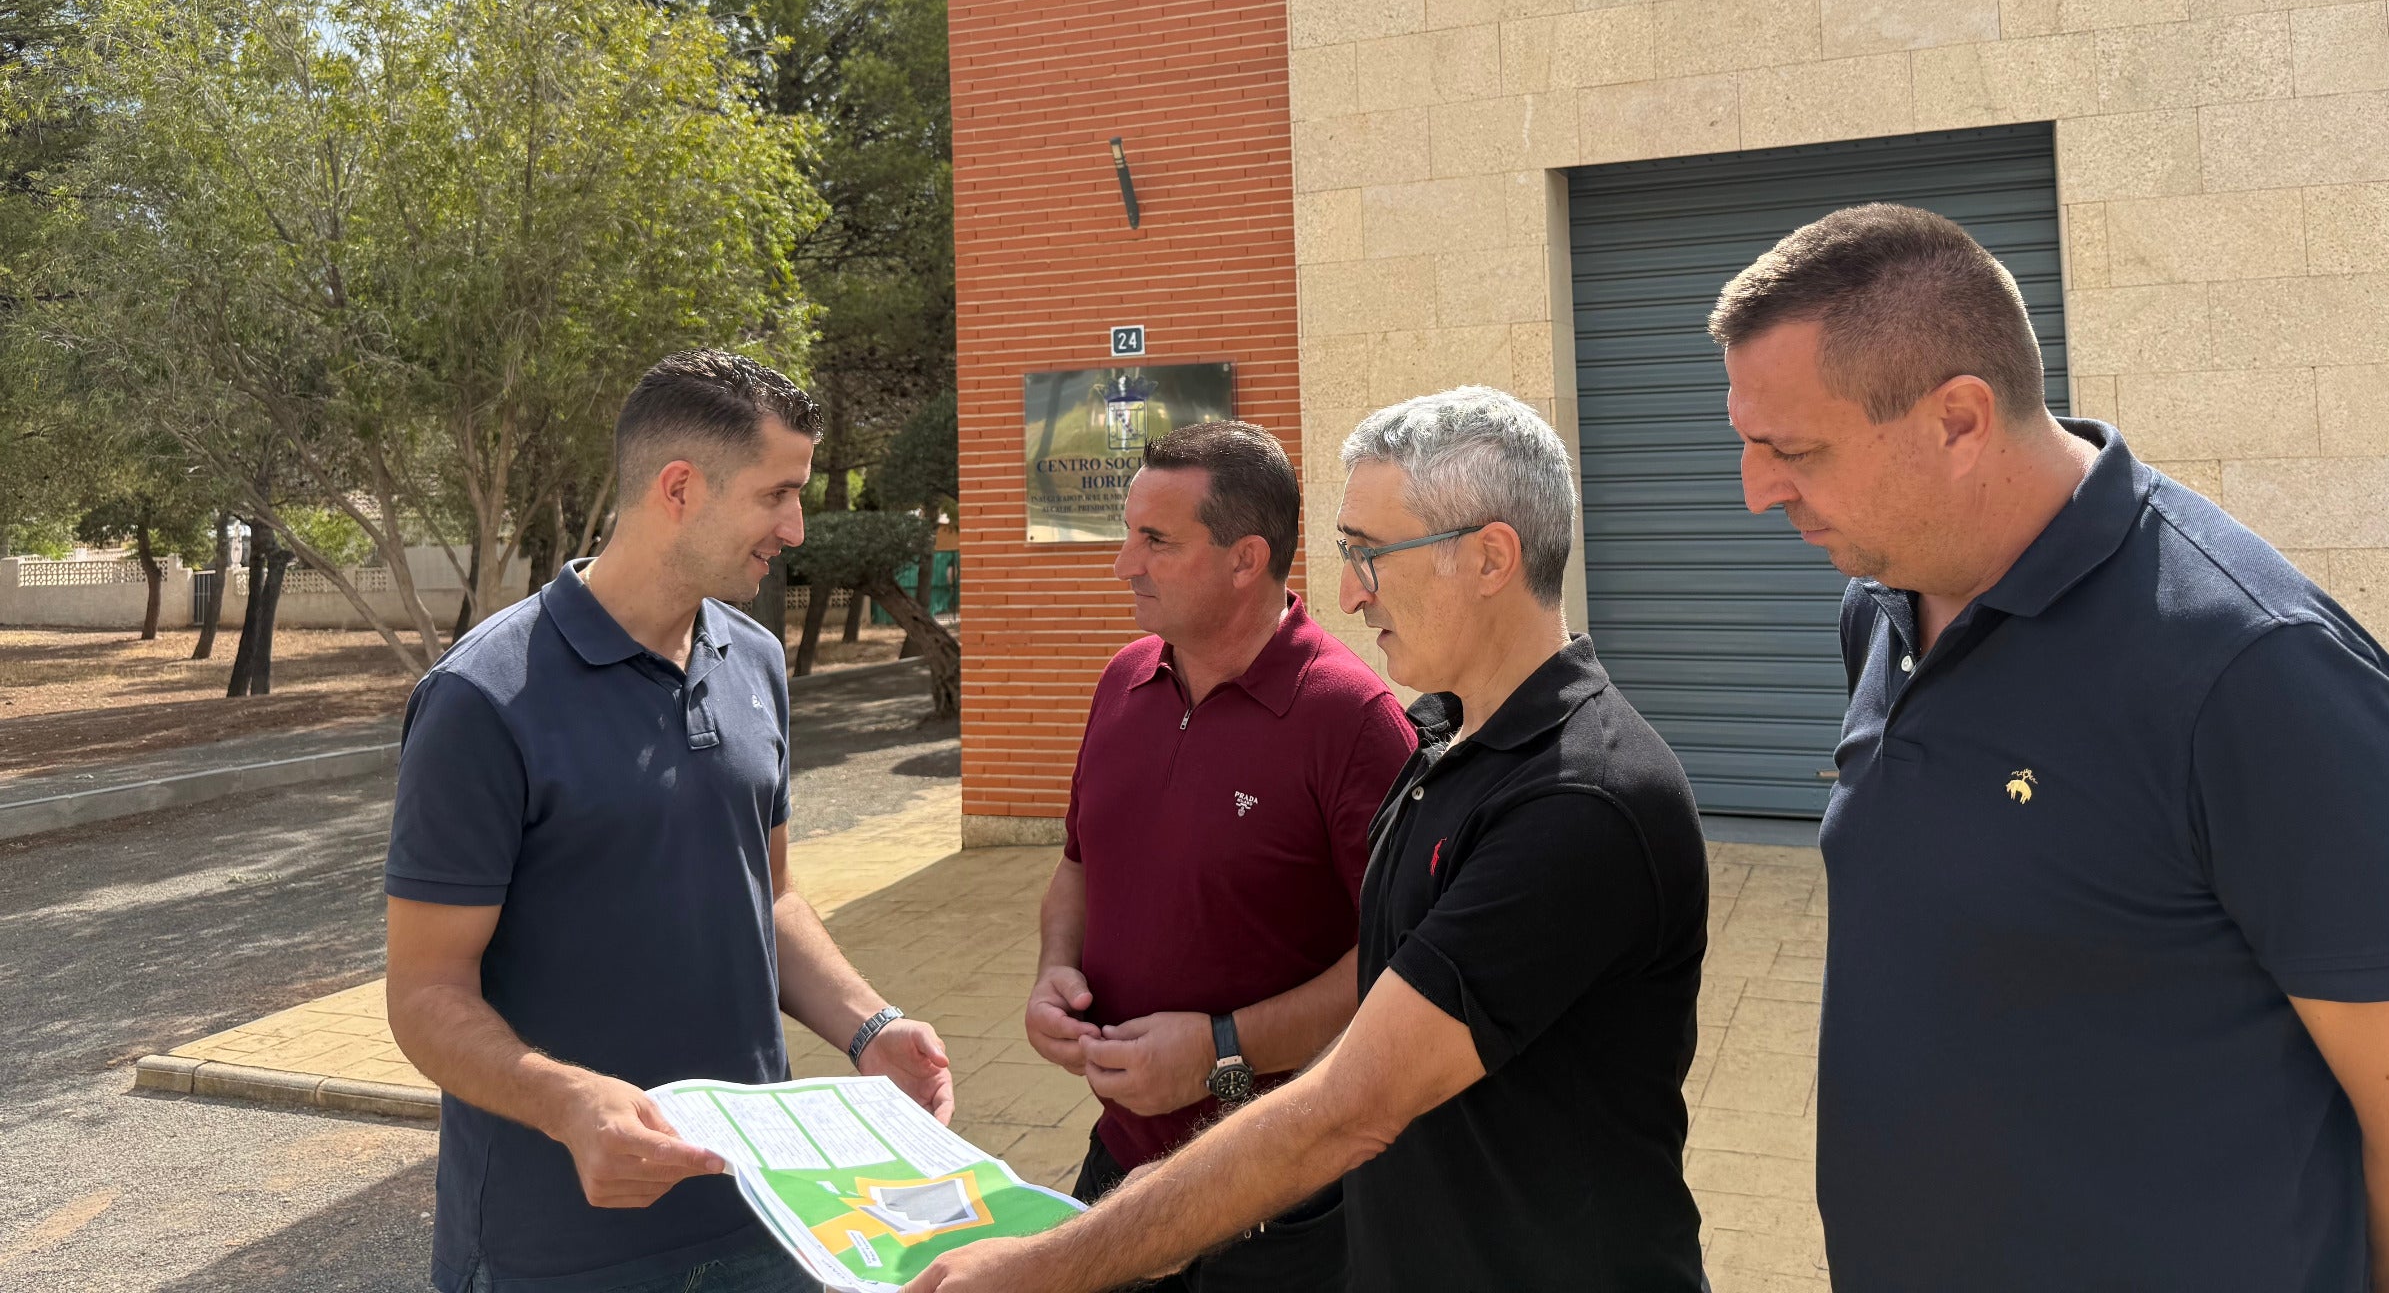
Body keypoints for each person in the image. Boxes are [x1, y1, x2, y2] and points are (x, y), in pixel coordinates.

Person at [1709, 203, 2389, 1293]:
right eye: (1744, 445)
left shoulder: (2256, 677)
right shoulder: (1885, 605)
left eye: (1793, 451)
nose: (1756, 492)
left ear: (1960, 421)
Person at [925, 385, 1709, 1293]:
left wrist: (1044, 1267)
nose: (1345, 590)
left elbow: (1349, 1108)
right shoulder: (1448, 745)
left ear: (1492, 557)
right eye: (1346, 553)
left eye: (1371, 555)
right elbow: (1381, 1014)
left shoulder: (1580, 798)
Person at [384, 350, 955, 1293]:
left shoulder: (757, 660)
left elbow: (767, 897)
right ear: (680, 487)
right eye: (778, 494)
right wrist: (568, 1104)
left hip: (768, 1216)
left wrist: (871, 1027)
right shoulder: (482, 699)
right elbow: (424, 995)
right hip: (558, 1251)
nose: (797, 527)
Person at [1023, 420, 1415, 1290]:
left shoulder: (1352, 724)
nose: (1125, 562)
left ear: (1247, 558)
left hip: (1281, 1200)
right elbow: (1079, 867)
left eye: (1155, 541)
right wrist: (1056, 970)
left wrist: (1221, 1050)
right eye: (1128, 534)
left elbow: (1400, 963)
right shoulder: (1122, 681)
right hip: (1119, 1165)